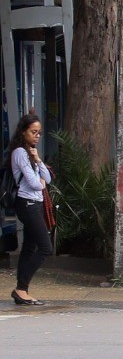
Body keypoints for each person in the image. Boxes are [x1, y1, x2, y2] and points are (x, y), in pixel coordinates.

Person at [4, 113, 52, 306]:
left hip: (36, 204)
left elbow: (47, 179)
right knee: (45, 247)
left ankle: (21, 290)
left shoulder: (30, 153)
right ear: (23, 132)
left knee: (29, 248)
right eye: (33, 132)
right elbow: (35, 183)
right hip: (27, 204)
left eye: (39, 133)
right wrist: (40, 181)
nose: (37, 136)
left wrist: (39, 160)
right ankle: (21, 288)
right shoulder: (19, 153)